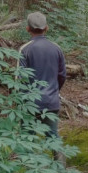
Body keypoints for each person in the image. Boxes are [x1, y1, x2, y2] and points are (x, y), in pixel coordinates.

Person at [19, 12, 67, 159]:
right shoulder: (56, 48)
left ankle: (29, 169)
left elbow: (20, 79)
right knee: (53, 137)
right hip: (51, 101)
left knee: (27, 139)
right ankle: (61, 169)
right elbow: (62, 75)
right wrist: (54, 91)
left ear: (28, 29)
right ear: (46, 28)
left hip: (30, 103)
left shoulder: (25, 49)